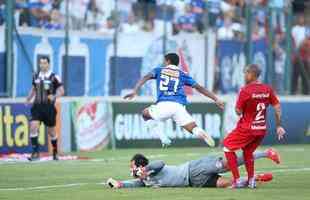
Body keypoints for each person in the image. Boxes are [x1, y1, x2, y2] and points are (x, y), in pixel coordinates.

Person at [124, 53, 224, 147]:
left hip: (164, 105)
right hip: (179, 107)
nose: (163, 63)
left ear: (167, 61)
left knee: (145, 114)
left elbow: (146, 77)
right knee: (193, 128)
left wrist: (135, 91)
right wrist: (215, 99)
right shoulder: (182, 74)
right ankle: (200, 132)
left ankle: (163, 137)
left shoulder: (159, 70)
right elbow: (199, 88)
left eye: (164, 61)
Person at [222, 64, 286, 188]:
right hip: (261, 129)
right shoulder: (267, 89)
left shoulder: (245, 90)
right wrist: (279, 126)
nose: (244, 75)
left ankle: (237, 180)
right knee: (248, 152)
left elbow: (238, 111)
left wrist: (239, 107)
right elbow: (277, 107)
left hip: (247, 128)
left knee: (227, 147)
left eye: (246, 73)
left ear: (252, 74)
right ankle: (251, 180)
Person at [107, 148, 279, 189]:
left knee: (229, 164)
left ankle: (265, 153)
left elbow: (160, 163)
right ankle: (255, 177)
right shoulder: (144, 181)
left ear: (140, 165)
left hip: (194, 168)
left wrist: (145, 170)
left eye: (133, 167)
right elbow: (134, 184)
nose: (132, 170)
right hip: (195, 182)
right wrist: (120, 184)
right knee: (230, 184)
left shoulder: (152, 169)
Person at [26, 56, 65, 161]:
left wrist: (54, 96)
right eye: (41, 63)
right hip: (37, 106)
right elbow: (34, 88)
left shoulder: (54, 76)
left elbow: (61, 90)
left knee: (51, 131)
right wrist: (28, 98)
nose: (42, 65)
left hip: (49, 108)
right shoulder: (35, 75)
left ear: (48, 64)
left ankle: (55, 152)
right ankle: (35, 153)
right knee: (33, 126)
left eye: (44, 63)